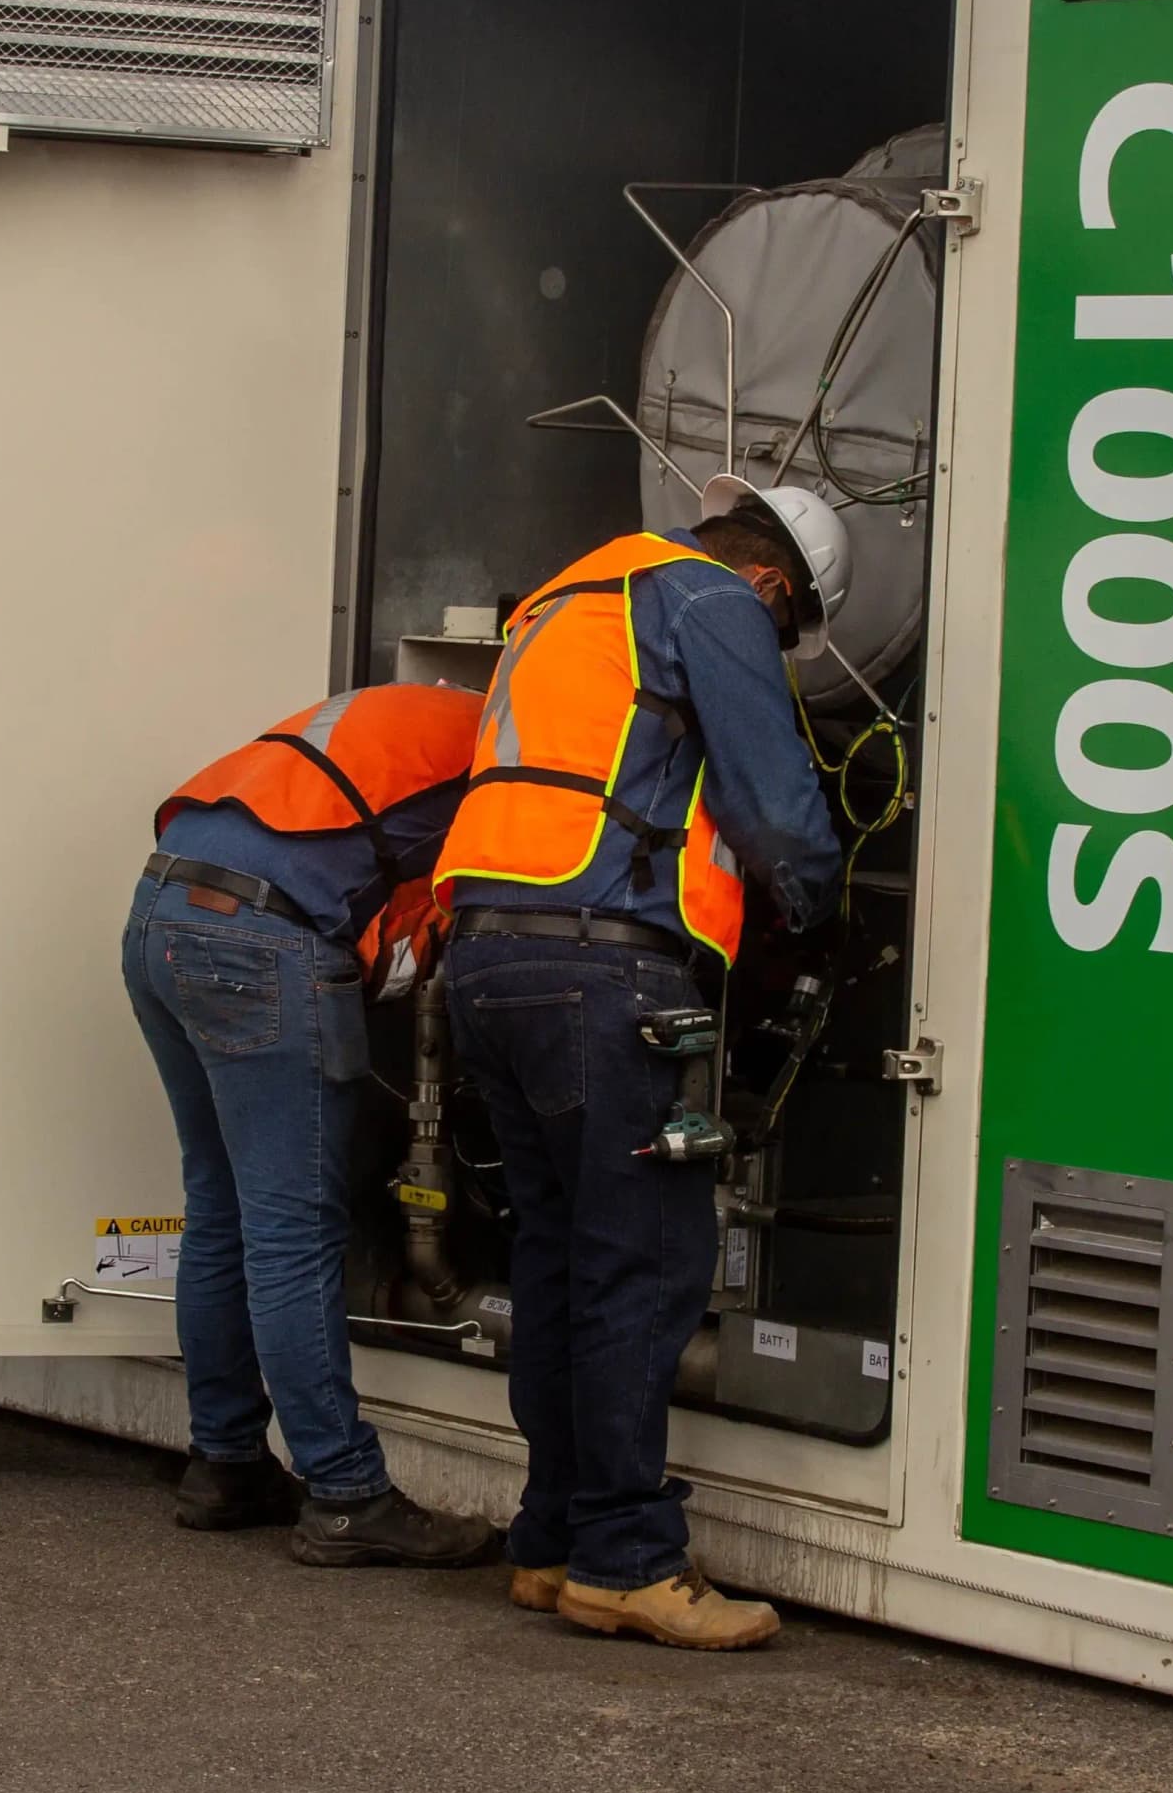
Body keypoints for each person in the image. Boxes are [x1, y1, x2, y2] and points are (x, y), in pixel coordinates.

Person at [433, 475, 849, 1649]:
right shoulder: (713, 601)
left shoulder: (568, 598)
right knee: (646, 1264)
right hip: (604, 969)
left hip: (489, 957)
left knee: (558, 1258)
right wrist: (818, 909)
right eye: (786, 631)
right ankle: (626, 1557)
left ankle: (554, 1540)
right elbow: (772, 807)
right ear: (771, 582)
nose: (772, 643)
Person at [130, 685, 502, 1567]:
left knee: (221, 1210)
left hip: (161, 912)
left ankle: (225, 1465)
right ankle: (344, 1492)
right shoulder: (505, 757)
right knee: (293, 1230)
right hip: (258, 939)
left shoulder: (416, 711)